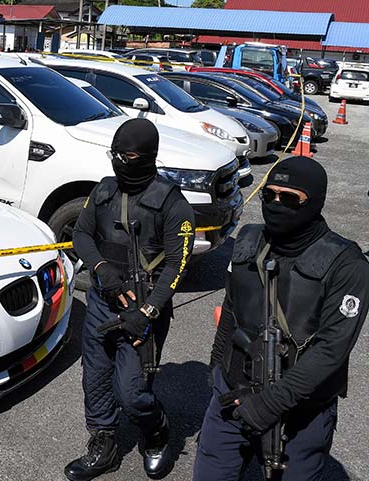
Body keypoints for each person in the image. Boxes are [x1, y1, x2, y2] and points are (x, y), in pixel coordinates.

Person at [194, 156, 369, 481]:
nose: (275, 204)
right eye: (269, 195)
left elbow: (331, 350)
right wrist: (216, 367)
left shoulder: (347, 265)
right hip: (231, 394)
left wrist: (268, 405)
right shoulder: (247, 241)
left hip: (300, 412)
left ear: (314, 202)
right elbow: (231, 308)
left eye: (289, 198)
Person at [66, 118, 195, 481]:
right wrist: (101, 268)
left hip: (143, 308)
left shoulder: (172, 203)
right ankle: (104, 444)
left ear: (149, 156)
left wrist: (148, 312)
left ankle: (156, 433)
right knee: (95, 378)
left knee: (132, 392)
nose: (120, 162)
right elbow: (81, 234)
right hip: (102, 301)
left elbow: (177, 264)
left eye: (129, 156)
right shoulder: (103, 191)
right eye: (115, 154)